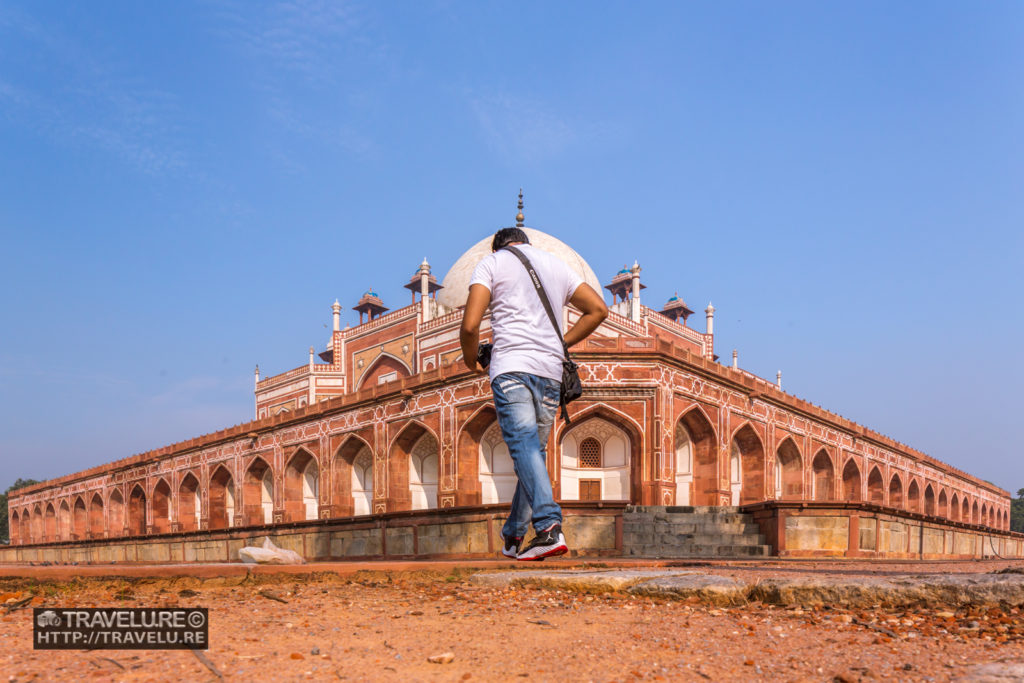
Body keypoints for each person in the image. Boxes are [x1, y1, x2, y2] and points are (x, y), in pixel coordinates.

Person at [460, 228, 608, 560]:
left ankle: (548, 528)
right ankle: (513, 534)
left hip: (511, 367)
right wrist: (561, 344)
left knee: (525, 448)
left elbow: (470, 327)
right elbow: (598, 309)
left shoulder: (491, 263)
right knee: (533, 454)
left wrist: (472, 359)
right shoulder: (557, 265)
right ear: (527, 245)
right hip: (550, 372)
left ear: (497, 247)